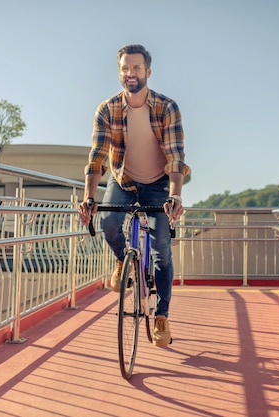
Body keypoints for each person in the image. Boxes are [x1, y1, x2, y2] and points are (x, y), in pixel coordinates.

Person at [78, 44, 189, 347]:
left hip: (158, 183)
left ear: (148, 72)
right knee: (110, 223)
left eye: (137, 68)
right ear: (120, 72)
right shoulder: (108, 109)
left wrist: (175, 196)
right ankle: (122, 261)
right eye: (126, 68)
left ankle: (162, 315)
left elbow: (175, 156)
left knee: (162, 252)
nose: (131, 73)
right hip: (123, 180)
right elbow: (97, 156)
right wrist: (89, 197)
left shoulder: (166, 107)